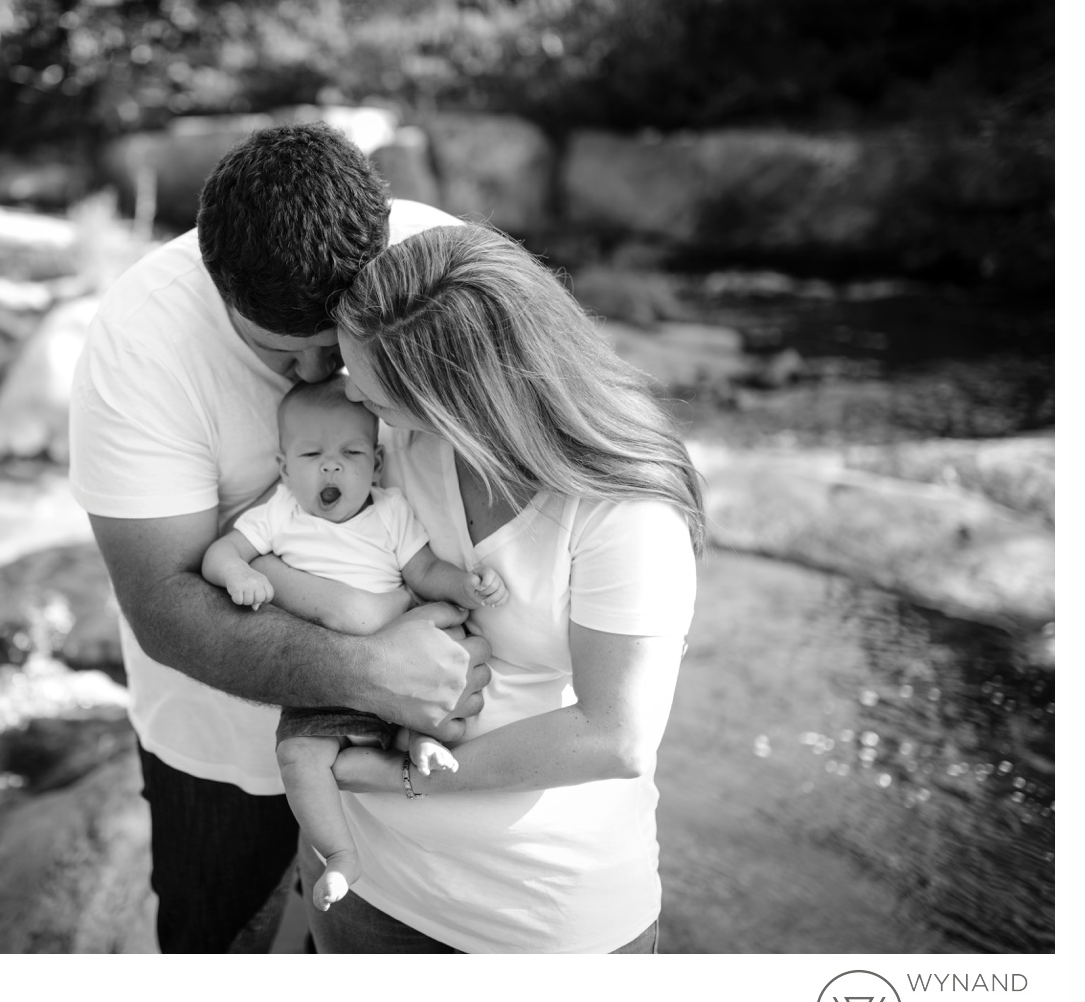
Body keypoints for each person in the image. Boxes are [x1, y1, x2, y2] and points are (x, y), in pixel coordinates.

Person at [68, 122, 488, 952]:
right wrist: (366, 666)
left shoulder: (440, 270)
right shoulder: (140, 342)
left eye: (333, 346)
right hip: (222, 761)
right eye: (277, 352)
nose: (315, 377)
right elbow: (162, 604)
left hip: (439, 727)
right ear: (219, 288)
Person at [262, 220, 704, 952]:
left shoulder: (624, 511)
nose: (354, 407)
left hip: (533, 921)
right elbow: (336, 556)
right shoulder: (407, 444)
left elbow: (614, 737)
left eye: (374, 398)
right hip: (365, 886)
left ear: (457, 399)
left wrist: (394, 775)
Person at [201, 377, 506, 913]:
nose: (332, 467)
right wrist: (236, 575)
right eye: (313, 454)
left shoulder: (390, 512)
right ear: (284, 467)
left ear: (378, 466)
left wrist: (465, 585)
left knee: (439, 654)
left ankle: (420, 741)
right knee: (296, 756)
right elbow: (218, 554)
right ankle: (340, 854)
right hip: (323, 682)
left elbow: (425, 569)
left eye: (351, 453)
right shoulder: (279, 513)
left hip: (402, 669)